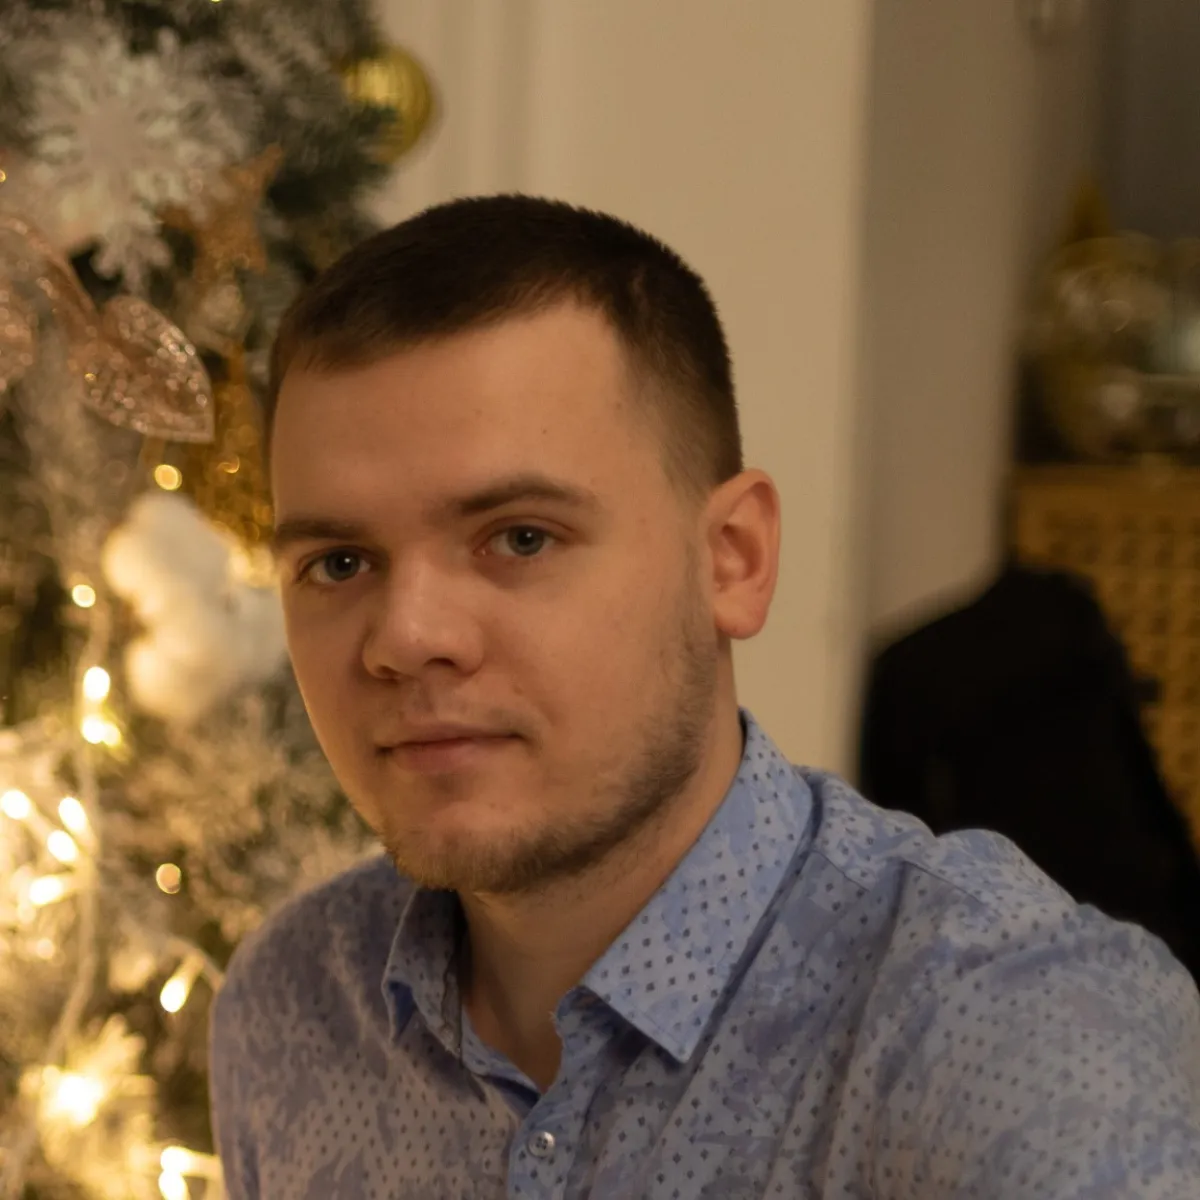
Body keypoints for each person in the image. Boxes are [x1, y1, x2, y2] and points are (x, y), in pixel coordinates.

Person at [209, 194, 1200, 1199]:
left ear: (732, 560)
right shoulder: (292, 1007)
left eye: (520, 538)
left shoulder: (1016, 1041)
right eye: (338, 563)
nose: (406, 638)